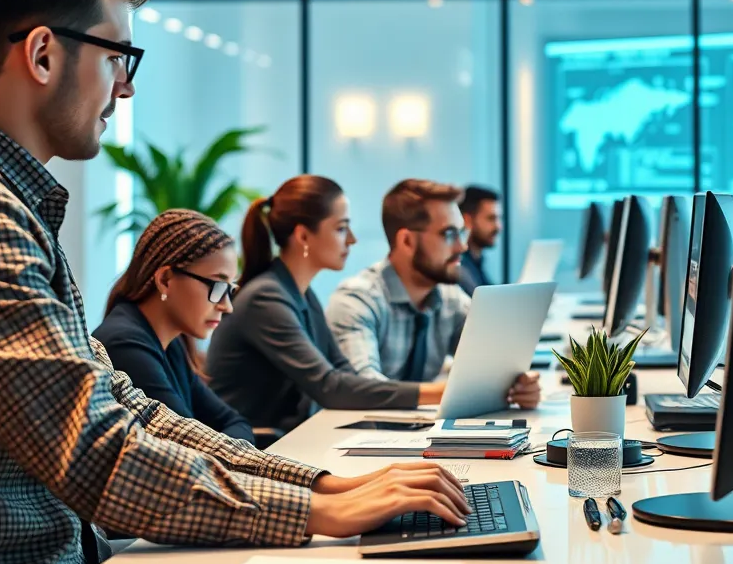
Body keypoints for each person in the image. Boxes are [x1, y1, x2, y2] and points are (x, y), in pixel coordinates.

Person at [0, 0, 469, 564]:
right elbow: (95, 453)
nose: (125, 88)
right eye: (117, 57)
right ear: (42, 55)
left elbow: (129, 410)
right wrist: (318, 512)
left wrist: (325, 486)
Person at [206, 176, 440, 432]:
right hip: (251, 445)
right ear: (303, 236)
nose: (352, 239)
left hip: (289, 438)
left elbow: (343, 372)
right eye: (341, 228)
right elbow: (329, 387)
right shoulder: (265, 298)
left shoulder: (301, 293)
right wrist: (436, 393)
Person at [326, 179, 540, 407]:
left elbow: (494, 365)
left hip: (417, 425)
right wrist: (445, 393)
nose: (461, 247)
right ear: (407, 241)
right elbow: (363, 387)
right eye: (448, 234)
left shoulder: (449, 299)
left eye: (461, 233)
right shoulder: (357, 300)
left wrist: (519, 386)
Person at [93, 209, 254, 444]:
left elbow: (234, 421)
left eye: (229, 289)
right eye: (217, 286)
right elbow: (193, 448)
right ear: (165, 280)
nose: (226, 306)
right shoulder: (125, 345)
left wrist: (226, 447)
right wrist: (229, 448)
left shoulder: (171, 342)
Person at [458, 185, 502, 296]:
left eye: (499, 218)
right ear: (467, 220)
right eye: (491, 218)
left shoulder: (478, 262)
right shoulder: (459, 266)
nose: (498, 226)